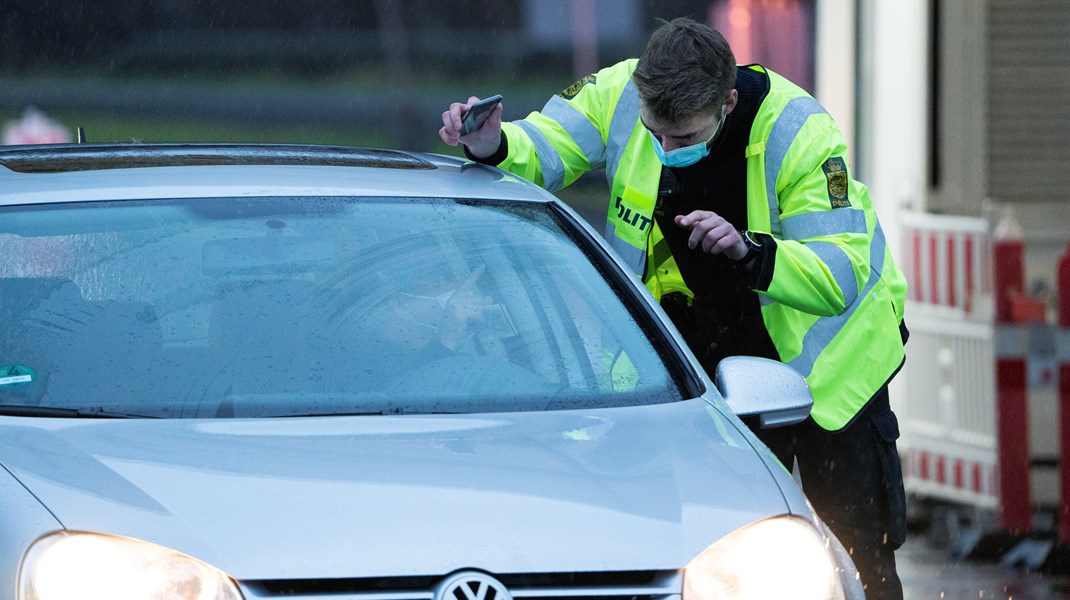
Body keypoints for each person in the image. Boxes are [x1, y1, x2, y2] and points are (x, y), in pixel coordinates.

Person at [439, 16, 909, 599]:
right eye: (653, 133)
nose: (664, 149)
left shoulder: (799, 132)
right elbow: (545, 147)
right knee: (720, 555)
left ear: (727, 102)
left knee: (862, 556)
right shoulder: (622, 92)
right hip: (705, 368)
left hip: (832, 372)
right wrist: (493, 142)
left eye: (683, 139)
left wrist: (749, 251)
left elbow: (838, 273)